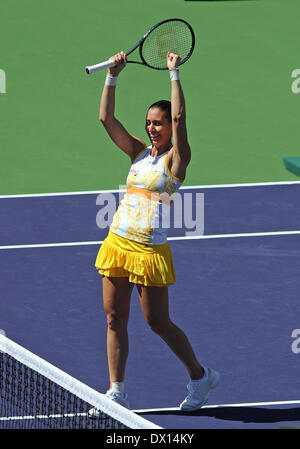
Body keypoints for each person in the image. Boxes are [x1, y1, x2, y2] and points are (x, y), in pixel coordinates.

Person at [91, 50, 220, 413]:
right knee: (114, 317)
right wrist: (112, 75)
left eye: (159, 123)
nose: (153, 128)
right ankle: (117, 391)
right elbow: (106, 118)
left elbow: (180, 116)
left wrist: (174, 74)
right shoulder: (137, 153)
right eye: (149, 122)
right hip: (118, 243)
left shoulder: (175, 162)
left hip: (149, 251)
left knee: (157, 322)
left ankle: (199, 375)